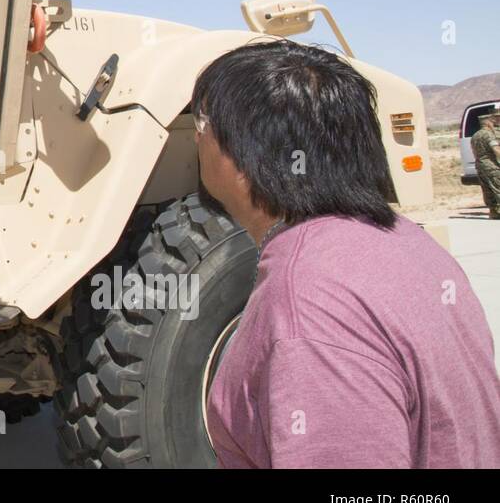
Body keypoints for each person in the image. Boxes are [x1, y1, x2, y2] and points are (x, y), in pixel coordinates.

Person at [195, 40, 500, 468]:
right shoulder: (405, 242)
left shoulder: (308, 305)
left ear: (244, 157)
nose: (196, 136)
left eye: (203, 121)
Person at [470, 108, 500, 219]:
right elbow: (496, 149)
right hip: (491, 166)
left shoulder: (474, 136)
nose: (494, 125)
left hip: (480, 166)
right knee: (498, 187)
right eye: (493, 122)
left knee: (487, 191)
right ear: (488, 123)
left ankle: (494, 212)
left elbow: (474, 152)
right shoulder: (488, 135)